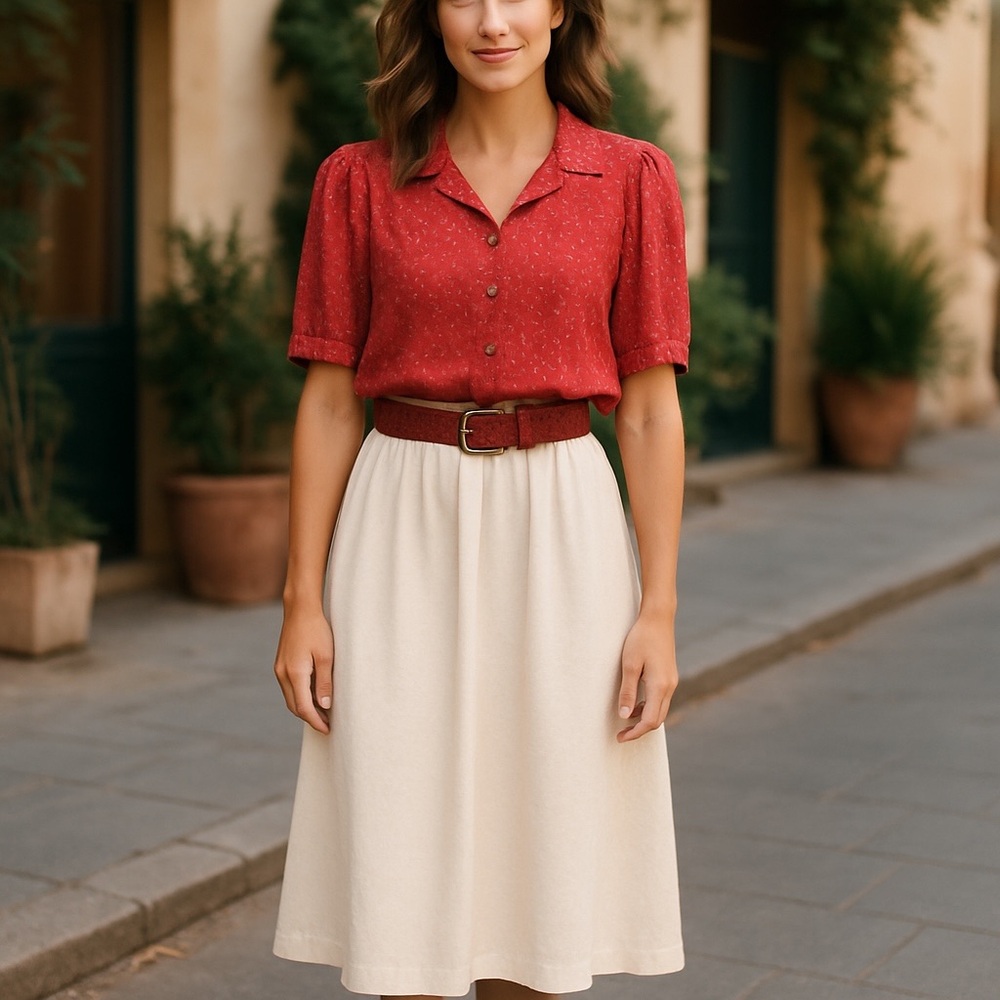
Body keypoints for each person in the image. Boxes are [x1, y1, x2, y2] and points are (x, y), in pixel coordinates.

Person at [272, 1, 690, 998]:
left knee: (540, 858)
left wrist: (659, 610)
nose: (491, 21)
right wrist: (301, 601)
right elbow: (330, 404)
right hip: (398, 522)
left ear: (559, 10)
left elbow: (647, 411)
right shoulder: (356, 182)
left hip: (562, 527)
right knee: (400, 848)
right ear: (427, 15)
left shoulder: (630, 179)